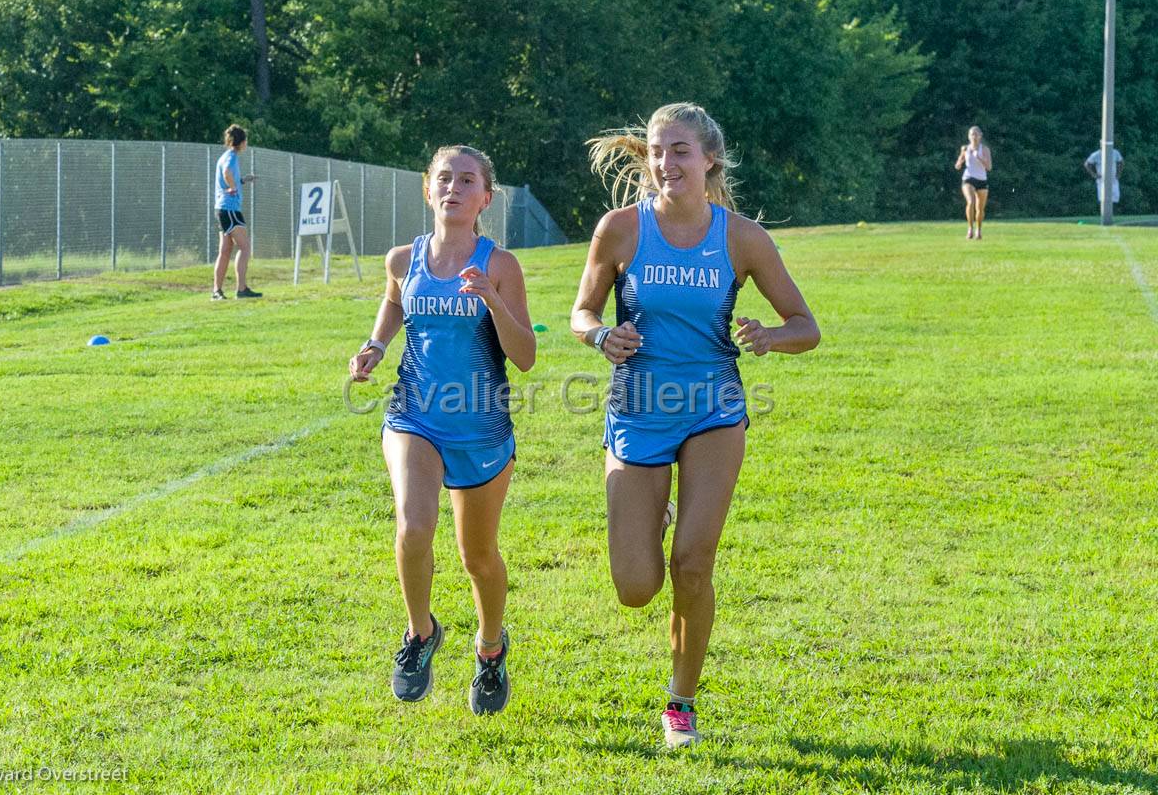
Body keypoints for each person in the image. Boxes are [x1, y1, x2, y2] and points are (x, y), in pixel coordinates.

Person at [570, 103, 820, 748]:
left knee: (694, 562)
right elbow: (581, 311)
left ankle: (681, 701)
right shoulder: (620, 230)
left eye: (679, 151)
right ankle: (650, 514)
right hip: (636, 412)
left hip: (714, 412)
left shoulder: (741, 238)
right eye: (656, 151)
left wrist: (771, 336)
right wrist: (601, 337)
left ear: (710, 158)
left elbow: (806, 326)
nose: (665, 163)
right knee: (635, 586)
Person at [349, 145, 535, 715]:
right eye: (444, 179)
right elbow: (393, 306)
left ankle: (490, 648)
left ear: (486, 198)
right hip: (414, 415)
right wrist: (376, 345)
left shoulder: (499, 265)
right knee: (413, 527)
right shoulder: (403, 259)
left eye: (467, 181)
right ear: (428, 189)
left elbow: (525, 355)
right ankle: (420, 633)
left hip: (481, 427)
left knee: (477, 555)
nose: (454, 188)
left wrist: (491, 300)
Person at [212, 124, 261, 300]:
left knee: (225, 250)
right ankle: (241, 289)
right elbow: (226, 173)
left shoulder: (225, 156)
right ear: (241, 142)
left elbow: (228, 175)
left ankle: (216, 291)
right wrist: (233, 187)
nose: (246, 144)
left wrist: (241, 181)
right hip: (230, 208)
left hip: (221, 208)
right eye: (246, 140)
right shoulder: (231, 157)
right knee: (245, 247)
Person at [954, 125, 992, 239]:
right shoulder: (965, 149)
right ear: (969, 136)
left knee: (980, 209)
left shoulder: (984, 149)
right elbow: (957, 165)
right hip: (968, 178)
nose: (974, 136)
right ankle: (970, 229)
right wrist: (960, 163)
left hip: (981, 179)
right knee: (971, 202)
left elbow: (989, 167)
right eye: (972, 134)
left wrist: (979, 158)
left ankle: (978, 230)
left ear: (980, 136)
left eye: (976, 134)